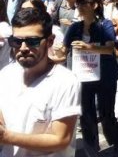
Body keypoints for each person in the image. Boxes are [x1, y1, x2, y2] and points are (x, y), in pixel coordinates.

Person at [0, 8, 81, 157]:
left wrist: (6, 137)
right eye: (17, 41)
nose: (23, 48)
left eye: (32, 41)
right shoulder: (6, 74)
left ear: (50, 41)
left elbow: (60, 139)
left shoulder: (65, 81)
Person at [60, 0, 118, 155]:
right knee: (86, 117)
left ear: (94, 6)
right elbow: (63, 50)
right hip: (83, 76)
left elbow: (110, 48)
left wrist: (88, 47)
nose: (80, 8)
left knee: (106, 115)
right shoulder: (75, 27)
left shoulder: (106, 25)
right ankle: (91, 151)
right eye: (78, 5)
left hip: (105, 76)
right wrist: (55, 51)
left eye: (84, 4)